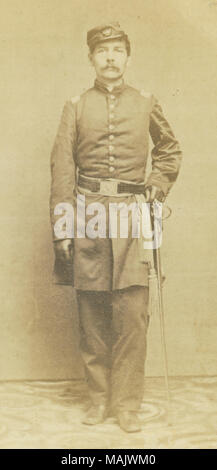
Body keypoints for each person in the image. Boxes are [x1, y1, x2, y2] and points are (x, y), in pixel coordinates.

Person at [49, 22, 182, 433]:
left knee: (132, 313)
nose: (110, 57)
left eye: (117, 50)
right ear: (91, 58)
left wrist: (156, 188)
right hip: (87, 214)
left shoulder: (146, 102)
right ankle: (97, 400)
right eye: (102, 50)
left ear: (128, 56)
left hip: (133, 215)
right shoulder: (75, 105)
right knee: (92, 313)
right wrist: (63, 226)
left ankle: (126, 404)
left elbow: (169, 150)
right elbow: (61, 169)